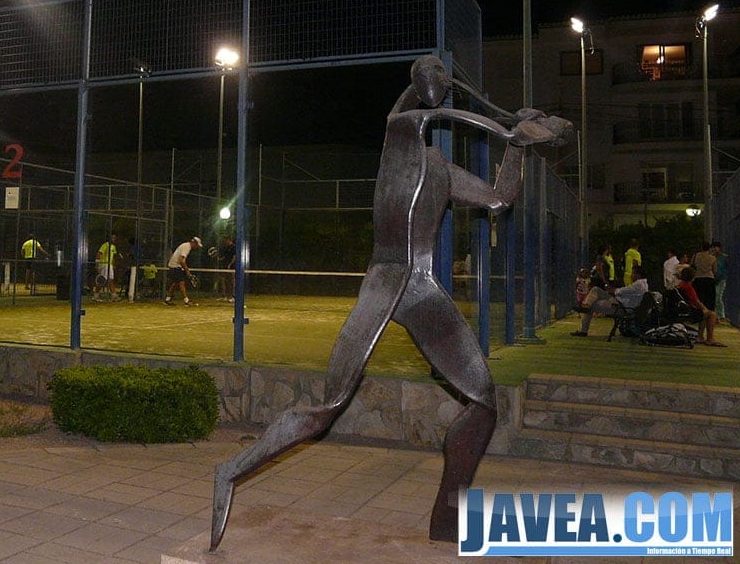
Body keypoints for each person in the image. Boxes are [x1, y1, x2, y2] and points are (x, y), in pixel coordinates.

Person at [209, 55, 571, 550]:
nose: (436, 85)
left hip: (419, 285)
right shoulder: (399, 138)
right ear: (417, 86)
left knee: (484, 402)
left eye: (442, 77)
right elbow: (427, 116)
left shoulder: (440, 168)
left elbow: (499, 198)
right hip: (385, 280)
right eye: (429, 78)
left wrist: (520, 149)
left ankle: (448, 515)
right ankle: (230, 471)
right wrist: (511, 127)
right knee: (329, 406)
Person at [572, 265, 648, 337]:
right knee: (595, 290)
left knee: (592, 305)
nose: (631, 275)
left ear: (638, 275)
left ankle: (583, 329)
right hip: (618, 302)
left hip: (620, 306)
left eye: (633, 273)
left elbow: (622, 291)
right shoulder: (643, 284)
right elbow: (626, 293)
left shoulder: (639, 285)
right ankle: (586, 305)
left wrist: (613, 290)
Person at [676, 266, 724, 346]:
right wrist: (706, 310)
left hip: (685, 310)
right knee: (712, 314)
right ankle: (710, 339)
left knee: (704, 314)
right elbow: (697, 302)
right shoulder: (689, 287)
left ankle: (700, 337)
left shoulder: (681, 285)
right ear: (692, 277)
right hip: (691, 312)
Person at [164, 236, 202, 306]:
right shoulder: (187, 247)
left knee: (175, 283)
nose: (197, 247)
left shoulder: (185, 245)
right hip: (175, 266)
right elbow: (182, 260)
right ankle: (186, 301)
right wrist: (187, 270)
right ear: (194, 243)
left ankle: (167, 299)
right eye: (197, 245)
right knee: (182, 282)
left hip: (173, 266)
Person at [690, 241, 716, 314]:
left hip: (698, 278)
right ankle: (710, 313)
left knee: (698, 297)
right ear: (709, 248)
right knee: (710, 298)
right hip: (709, 278)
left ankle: (699, 313)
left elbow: (691, 265)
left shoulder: (695, 256)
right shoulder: (712, 258)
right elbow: (714, 270)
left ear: (701, 247)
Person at [95, 233, 120, 300]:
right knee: (102, 280)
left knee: (111, 280)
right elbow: (99, 253)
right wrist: (97, 263)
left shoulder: (113, 247)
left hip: (110, 265)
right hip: (104, 264)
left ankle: (113, 295)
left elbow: (113, 257)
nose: (114, 239)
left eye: (115, 238)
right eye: (112, 237)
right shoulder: (105, 245)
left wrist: (113, 264)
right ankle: (96, 295)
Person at [712, 241, 728, 323]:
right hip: (714, 279)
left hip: (721, 279)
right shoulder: (712, 257)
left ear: (719, 248)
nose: (714, 249)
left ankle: (721, 315)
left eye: (716, 247)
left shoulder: (724, 257)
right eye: (713, 247)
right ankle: (717, 316)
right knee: (715, 297)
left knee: (718, 296)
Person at [217, 235, 236, 302]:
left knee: (232, 281)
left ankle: (234, 297)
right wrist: (219, 259)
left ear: (229, 240)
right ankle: (224, 296)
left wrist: (230, 264)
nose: (224, 242)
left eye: (225, 240)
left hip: (232, 267)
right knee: (223, 280)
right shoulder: (227, 247)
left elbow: (234, 257)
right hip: (224, 266)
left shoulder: (234, 247)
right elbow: (225, 257)